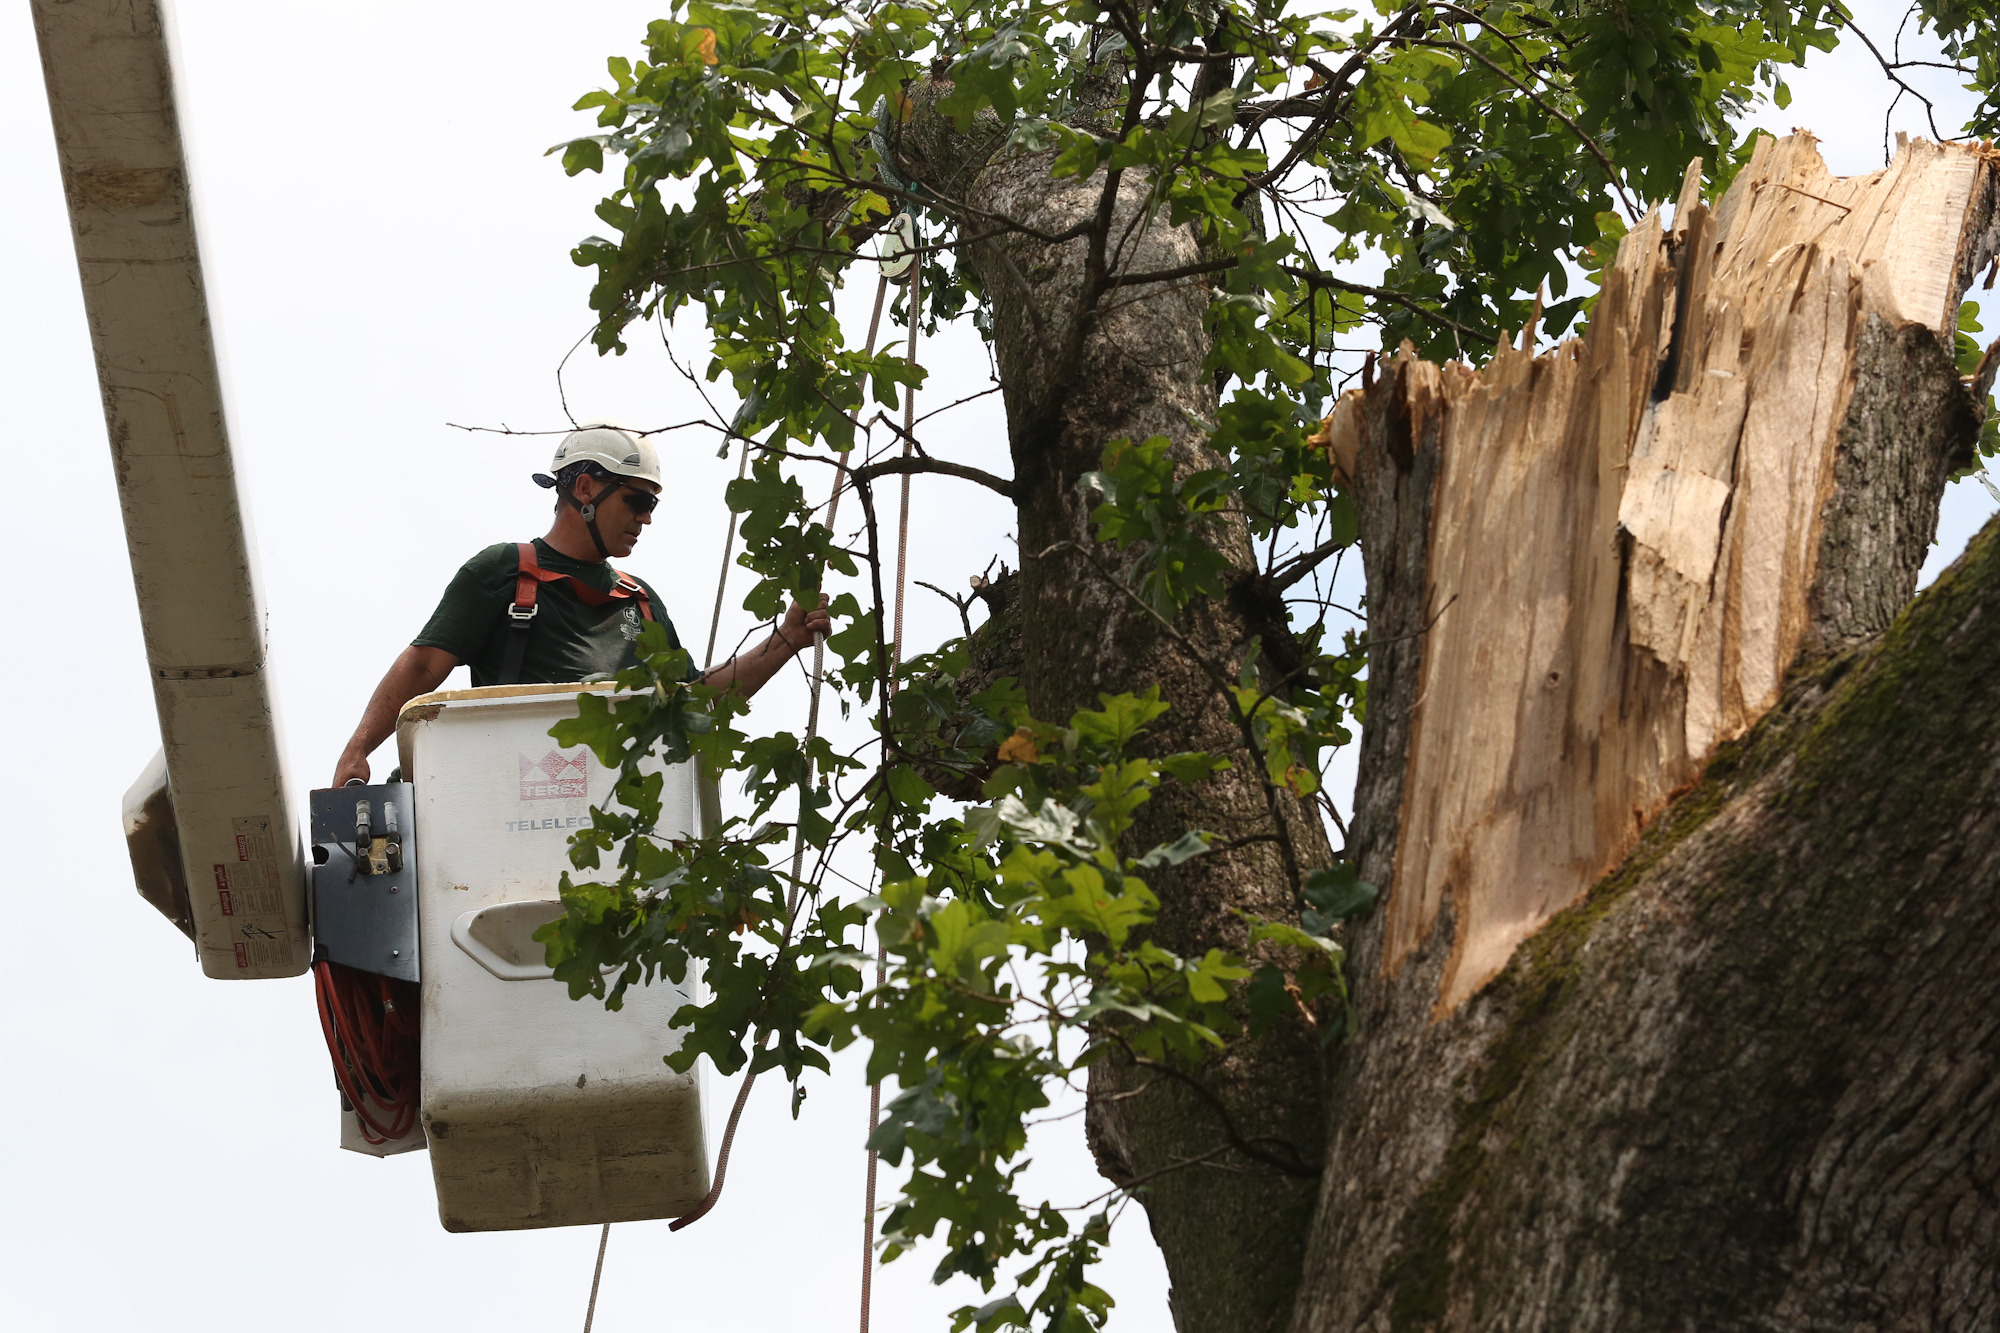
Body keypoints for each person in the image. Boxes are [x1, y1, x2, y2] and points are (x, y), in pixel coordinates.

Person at [330, 422, 831, 787]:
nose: (646, 519)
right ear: (586, 488)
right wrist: (358, 750)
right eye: (638, 502)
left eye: (652, 505)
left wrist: (786, 641)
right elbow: (422, 665)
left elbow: (695, 702)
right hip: (507, 792)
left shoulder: (640, 602)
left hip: (611, 819)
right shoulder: (504, 572)